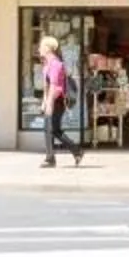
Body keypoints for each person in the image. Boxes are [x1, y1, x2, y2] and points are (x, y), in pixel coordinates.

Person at [38, 34, 79, 168]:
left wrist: (49, 103)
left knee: (50, 129)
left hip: (57, 100)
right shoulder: (47, 65)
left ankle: (51, 159)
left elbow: (55, 86)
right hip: (50, 99)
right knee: (51, 129)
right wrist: (44, 101)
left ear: (48, 49)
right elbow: (46, 86)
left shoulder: (56, 64)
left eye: (41, 46)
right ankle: (75, 151)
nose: (39, 48)